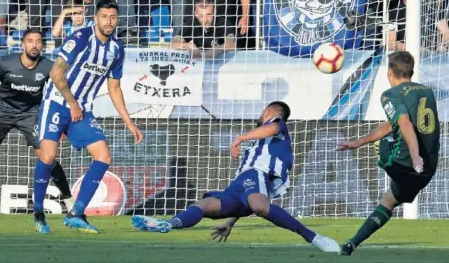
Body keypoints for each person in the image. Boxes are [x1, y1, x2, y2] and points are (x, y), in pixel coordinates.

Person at [132, 101, 340, 253]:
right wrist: (230, 222)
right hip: (239, 184)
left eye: (262, 112)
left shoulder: (277, 125)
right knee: (205, 205)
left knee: (260, 206)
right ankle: (168, 224)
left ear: (268, 111)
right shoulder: (258, 143)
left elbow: (273, 127)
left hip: (256, 175)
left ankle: (314, 237)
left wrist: (240, 137)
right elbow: (247, 195)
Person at [33, 0, 143, 234]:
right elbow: (56, 71)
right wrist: (72, 103)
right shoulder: (81, 38)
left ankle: (77, 213)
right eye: (104, 16)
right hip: (57, 103)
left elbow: (114, 88)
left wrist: (129, 123)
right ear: (96, 18)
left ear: (118, 19)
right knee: (48, 155)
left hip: (82, 109)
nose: (109, 22)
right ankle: (38, 212)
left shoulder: (117, 49)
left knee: (103, 156)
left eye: (113, 17)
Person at [0, 29, 74, 217]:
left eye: (38, 42)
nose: (34, 45)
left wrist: (62, 119)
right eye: (30, 41)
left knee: (47, 157)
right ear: (23, 44)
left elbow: (60, 93)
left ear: (42, 45)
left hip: (31, 114)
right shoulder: (5, 63)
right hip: (2, 112)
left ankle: (69, 200)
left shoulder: (49, 67)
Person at [337, 51, 440, 255]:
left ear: (389, 72)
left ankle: (395, 157)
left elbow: (404, 123)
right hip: (427, 169)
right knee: (388, 201)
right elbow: (394, 122)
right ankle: (352, 244)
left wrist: (414, 154)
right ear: (411, 69)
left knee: (384, 144)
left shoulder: (391, 94)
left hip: (405, 162)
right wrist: (361, 141)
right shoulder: (426, 91)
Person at [170, 0, 236, 59]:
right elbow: (172, 45)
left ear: (214, 12)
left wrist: (216, 49)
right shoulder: (191, 23)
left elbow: (232, 45)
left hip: (222, 61)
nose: (205, 20)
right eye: (201, 16)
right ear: (195, 14)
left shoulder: (222, 22)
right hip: (201, 62)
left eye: (208, 15)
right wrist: (189, 46)